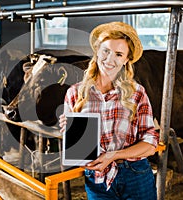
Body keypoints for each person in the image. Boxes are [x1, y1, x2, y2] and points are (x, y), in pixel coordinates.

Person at [59, 21, 159, 200]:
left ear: (126, 60)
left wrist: (114, 155)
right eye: (106, 51)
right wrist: (68, 130)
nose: (110, 59)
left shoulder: (137, 93)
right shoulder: (75, 93)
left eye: (119, 54)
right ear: (97, 51)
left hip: (135, 174)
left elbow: (150, 144)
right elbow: (76, 146)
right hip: (97, 177)